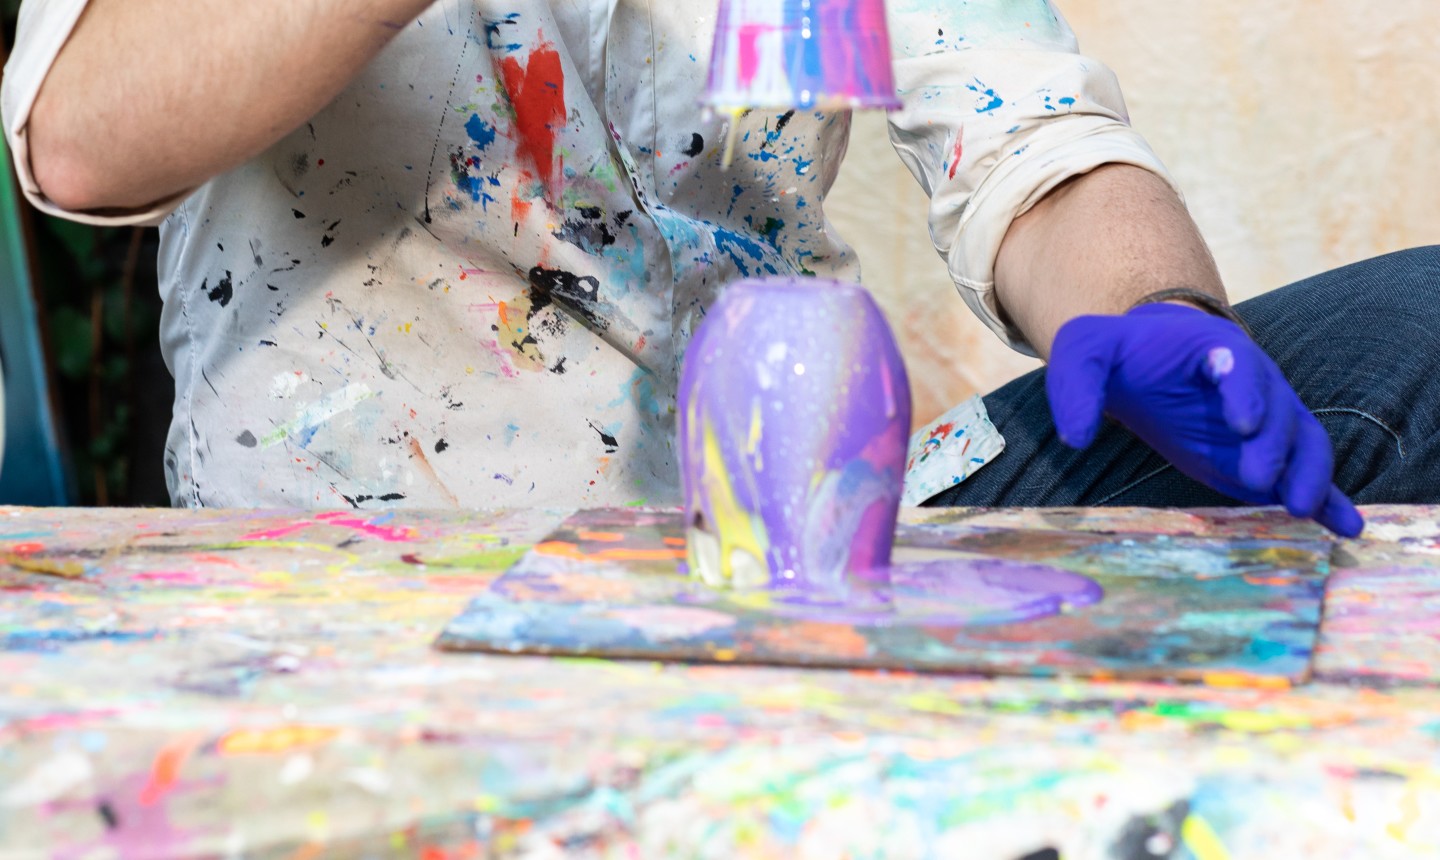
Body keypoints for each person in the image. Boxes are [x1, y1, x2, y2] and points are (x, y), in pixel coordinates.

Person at [3, 1, 1435, 533]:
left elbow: (1030, 140)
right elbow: (83, 139)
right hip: (385, 569)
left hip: (817, 532)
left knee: (1418, 338)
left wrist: (1150, 313)